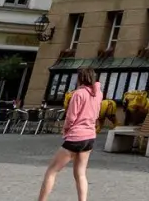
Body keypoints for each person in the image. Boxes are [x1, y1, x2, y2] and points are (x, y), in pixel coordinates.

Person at [36, 67, 102, 201]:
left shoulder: (78, 94)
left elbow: (71, 117)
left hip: (75, 137)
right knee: (81, 174)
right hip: (90, 137)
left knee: (52, 171)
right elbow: (96, 114)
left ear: (80, 78)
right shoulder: (98, 94)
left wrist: (65, 130)